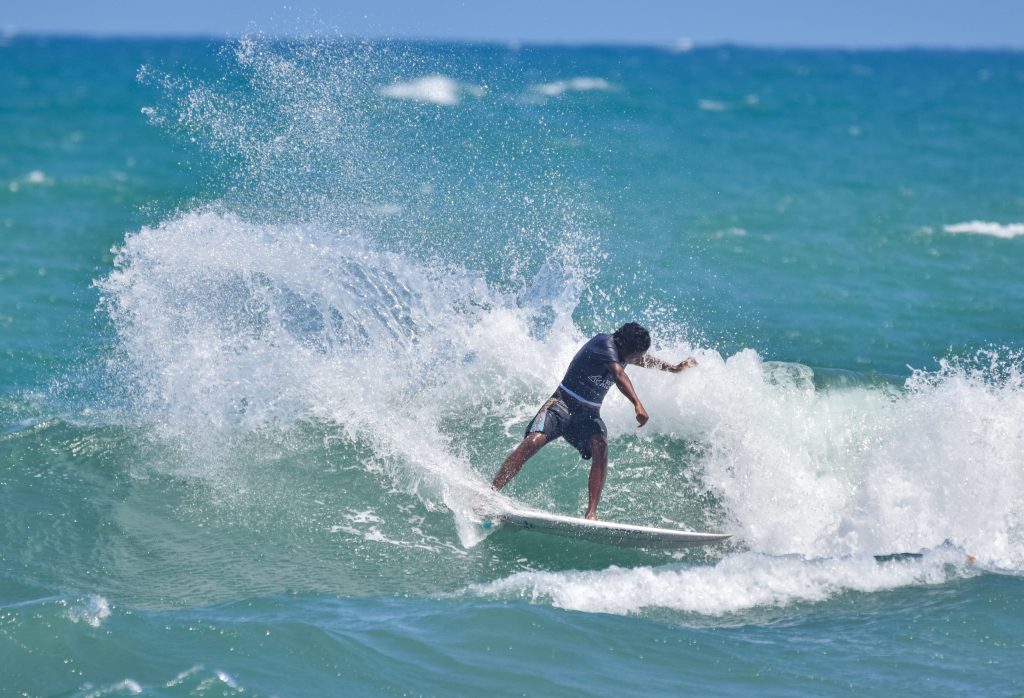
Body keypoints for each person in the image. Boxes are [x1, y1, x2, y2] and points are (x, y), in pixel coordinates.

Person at [491, 322, 697, 520]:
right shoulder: (603, 344)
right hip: (560, 406)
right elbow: (618, 374)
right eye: (634, 355)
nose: (636, 359)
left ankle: (591, 513)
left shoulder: (626, 353)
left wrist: (674, 369)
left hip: (587, 417)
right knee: (533, 442)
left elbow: (645, 360)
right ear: (624, 346)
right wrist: (637, 403)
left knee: (601, 447)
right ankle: (492, 492)